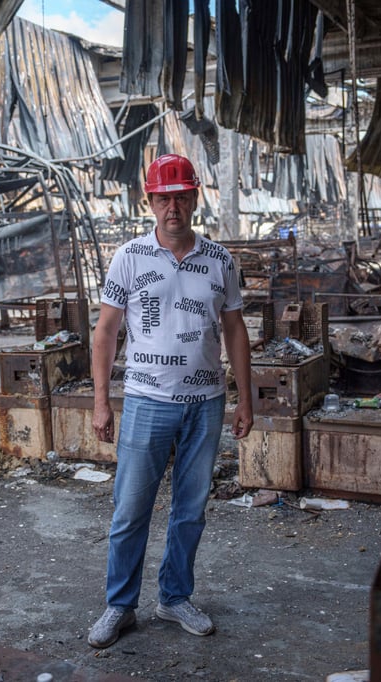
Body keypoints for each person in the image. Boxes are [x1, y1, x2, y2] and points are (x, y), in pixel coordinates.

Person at [87, 153, 254, 648]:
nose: (172, 208)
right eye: (164, 199)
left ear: (194, 198)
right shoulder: (129, 257)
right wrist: (101, 401)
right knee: (130, 510)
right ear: (150, 202)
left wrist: (245, 399)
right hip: (147, 400)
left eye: (181, 198)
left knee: (191, 509)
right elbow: (106, 332)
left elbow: (235, 330)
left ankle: (174, 597)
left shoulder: (220, 260)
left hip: (206, 403)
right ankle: (120, 606)